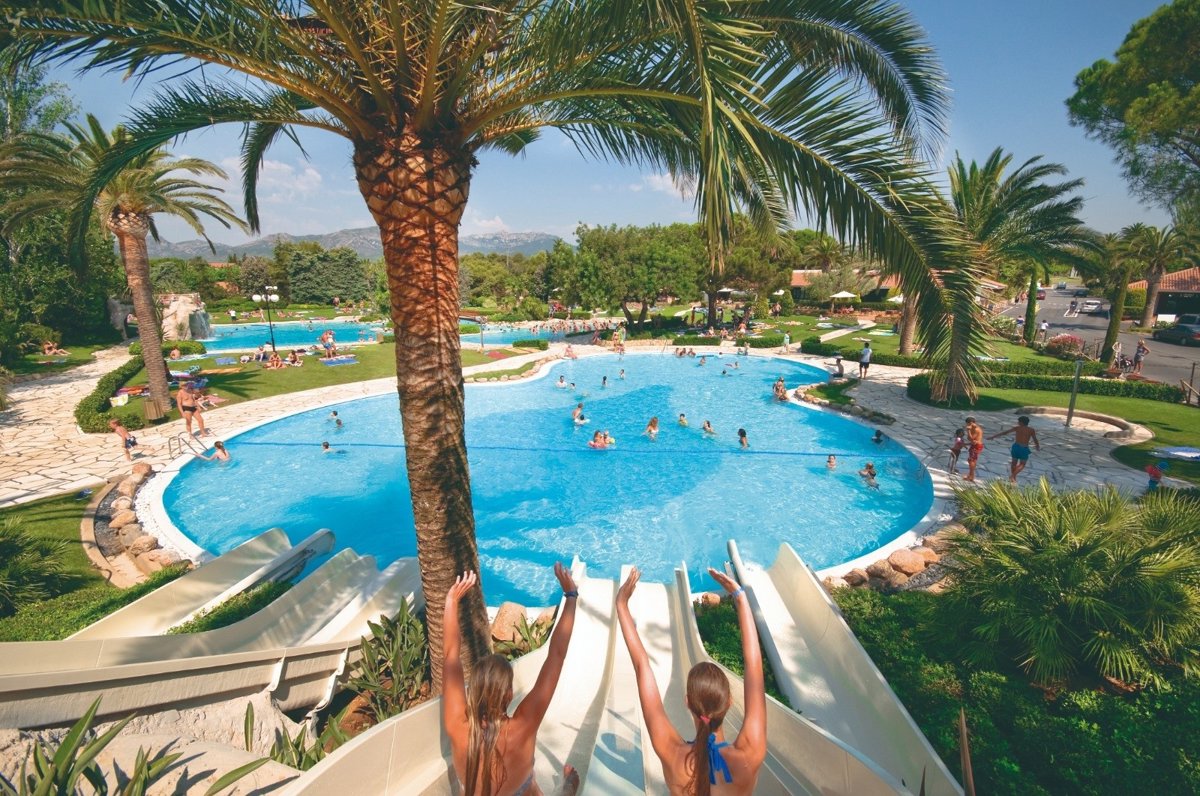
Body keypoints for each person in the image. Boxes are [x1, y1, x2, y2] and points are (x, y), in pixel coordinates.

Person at [615, 567, 767, 796]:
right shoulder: (749, 754)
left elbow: (642, 666)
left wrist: (621, 605)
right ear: (729, 702)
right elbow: (754, 666)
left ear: (687, 702)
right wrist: (740, 598)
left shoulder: (672, 753)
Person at [442, 568, 580, 796]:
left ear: (472, 691)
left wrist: (451, 601)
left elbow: (450, 656)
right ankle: (567, 788)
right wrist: (571, 596)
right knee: (536, 787)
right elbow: (556, 655)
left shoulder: (456, 725)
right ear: (508, 695)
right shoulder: (523, 726)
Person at [989, 415, 1041, 483]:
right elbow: (1035, 439)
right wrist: (1037, 446)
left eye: (1018, 422)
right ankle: (1013, 476)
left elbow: (1005, 432)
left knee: (1014, 463)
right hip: (1024, 448)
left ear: (1021, 422)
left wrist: (993, 437)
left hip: (1016, 447)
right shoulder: (1031, 430)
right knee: (1022, 464)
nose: (1017, 423)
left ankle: (1013, 478)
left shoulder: (1017, 428)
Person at [964, 416, 984, 482]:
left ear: (971, 423)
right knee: (972, 460)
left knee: (971, 460)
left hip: (976, 446)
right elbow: (969, 439)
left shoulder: (976, 429)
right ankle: (970, 475)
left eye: (968, 424)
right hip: (975, 445)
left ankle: (971, 476)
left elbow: (971, 438)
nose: (967, 425)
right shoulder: (974, 428)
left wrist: (968, 431)